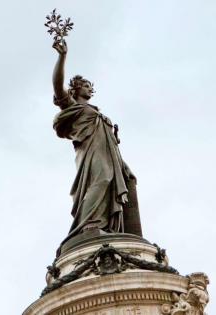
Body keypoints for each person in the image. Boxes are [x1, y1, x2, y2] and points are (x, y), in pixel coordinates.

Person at [52, 40, 138, 247]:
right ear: (76, 89)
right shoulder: (74, 106)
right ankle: (90, 224)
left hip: (108, 153)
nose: (91, 90)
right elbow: (57, 85)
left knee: (127, 180)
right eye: (87, 86)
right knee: (102, 179)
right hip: (91, 152)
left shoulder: (95, 111)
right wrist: (62, 57)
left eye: (91, 87)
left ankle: (115, 228)